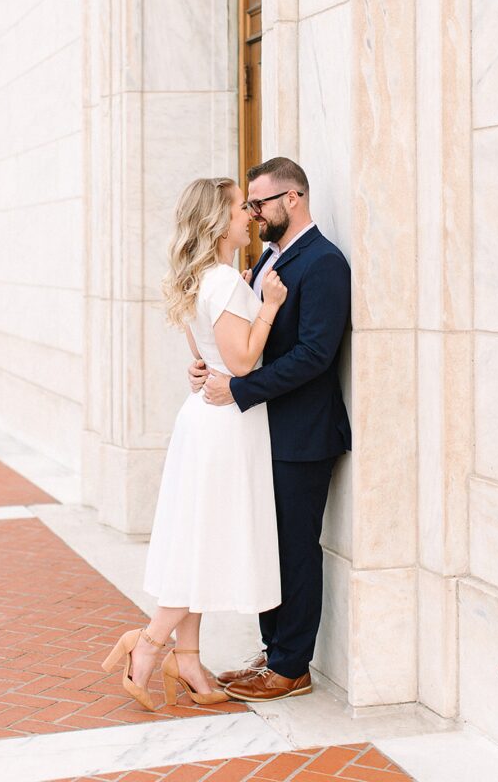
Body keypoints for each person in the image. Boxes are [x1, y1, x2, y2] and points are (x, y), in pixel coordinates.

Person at [102, 176, 287, 711]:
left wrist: (248, 295)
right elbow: (244, 362)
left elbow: (206, 357)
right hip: (225, 424)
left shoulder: (206, 278)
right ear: (216, 220)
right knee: (203, 542)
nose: (248, 215)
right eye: (238, 208)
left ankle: (189, 661)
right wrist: (268, 304)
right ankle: (150, 644)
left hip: (207, 419)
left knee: (198, 542)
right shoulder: (225, 281)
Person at [193, 157, 351, 703]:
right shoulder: (266, 258)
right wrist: (215, 368)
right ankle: (272, 650)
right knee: (268, 543)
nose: (254, 214)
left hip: (303, 435)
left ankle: (292, 666)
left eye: (260, 204)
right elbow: (250, 341)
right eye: (250, 206)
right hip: (264, 430)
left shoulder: (325, 262)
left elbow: (315, 355)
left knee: (296, 548)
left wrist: (238, 391)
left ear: (294, 199)